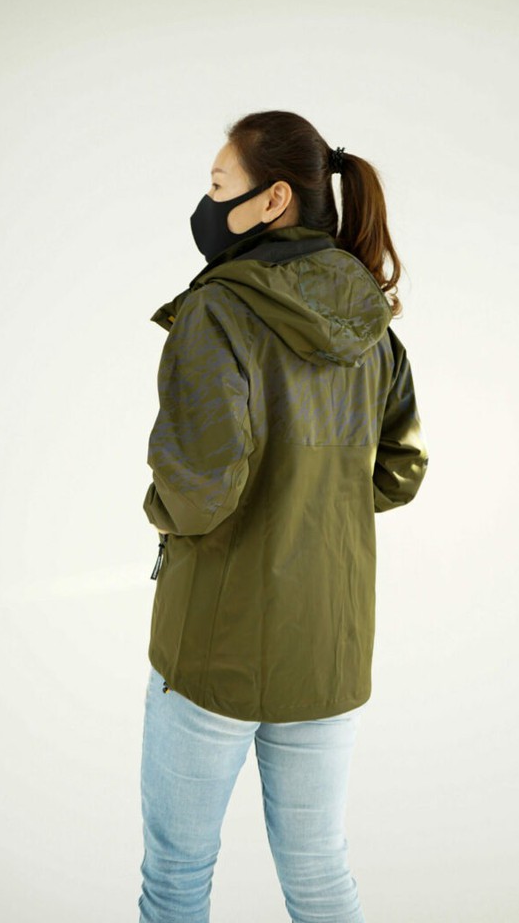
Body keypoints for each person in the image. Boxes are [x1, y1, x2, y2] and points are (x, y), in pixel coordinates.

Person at [138, 110, 429, 923]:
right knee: (319, 872)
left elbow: (198, 490)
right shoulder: (371, 322)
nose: (207, 203)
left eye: (217, 185)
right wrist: (319, 504)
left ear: (272, 200)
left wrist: (157, 510)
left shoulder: (216, 311)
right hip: (328, 643)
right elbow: (400, 471)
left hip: (215, 645)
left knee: (177, 874)